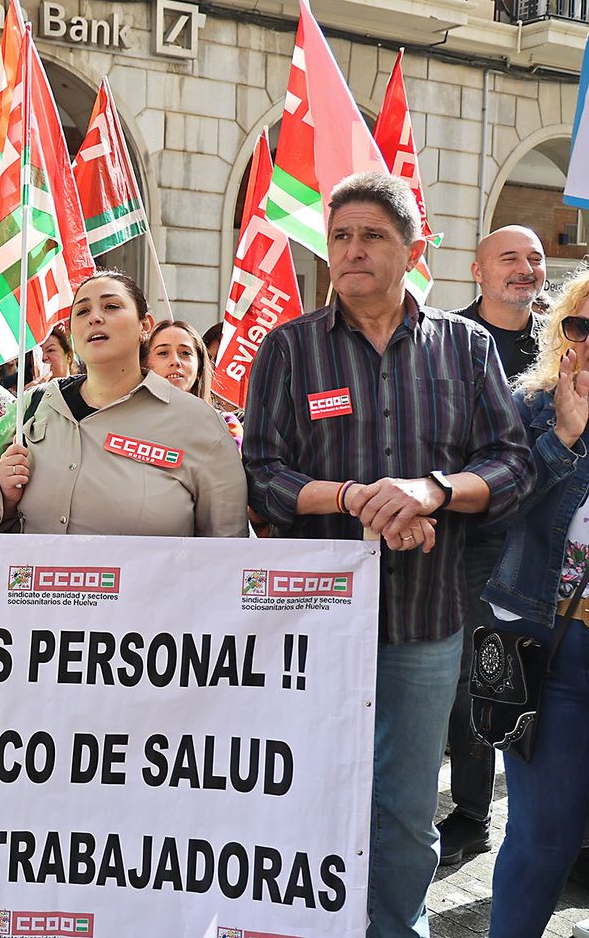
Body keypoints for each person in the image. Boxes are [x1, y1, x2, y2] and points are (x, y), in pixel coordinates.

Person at [242, 172, 530, 938]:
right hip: (313, 626)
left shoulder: (465, 347)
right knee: (308, 792)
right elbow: (263, 475)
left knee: (405, 809)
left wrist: (431, 491)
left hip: (425, 625)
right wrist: (354, 498)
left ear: (413, 249)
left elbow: (510, 463)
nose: (352, 250)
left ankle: (394, 927)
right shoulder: (290, 349)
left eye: (371, 235)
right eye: (340, 236)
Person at [437, 222, 548, 867]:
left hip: (546, 538)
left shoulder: (565, 340)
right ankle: (473, 814)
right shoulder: (446, 340)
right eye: (509, 258)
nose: (525, 269)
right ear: (478, 272)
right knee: (472, 678)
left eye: (535, 259)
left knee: (547, 680)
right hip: (471, 539)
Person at [485, 266, 589, 936]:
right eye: (583, 324)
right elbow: (495, 511)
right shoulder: (533, 404)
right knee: (542, 839)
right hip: (556, 653)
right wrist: (565, 438)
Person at [0, 272, 247, 537]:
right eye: (82, 311)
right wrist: (6, 500)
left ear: (145, 326)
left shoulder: (202, 424)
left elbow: (227, 551)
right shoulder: (32, 407)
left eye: (111, 306)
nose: (95, 317)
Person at [146, 319, 242, 443]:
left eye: (185, 353)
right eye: (163, 353)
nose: (175, 361)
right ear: (146, 364)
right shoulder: (128, 418)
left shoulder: (226, 425)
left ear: (199, 367)